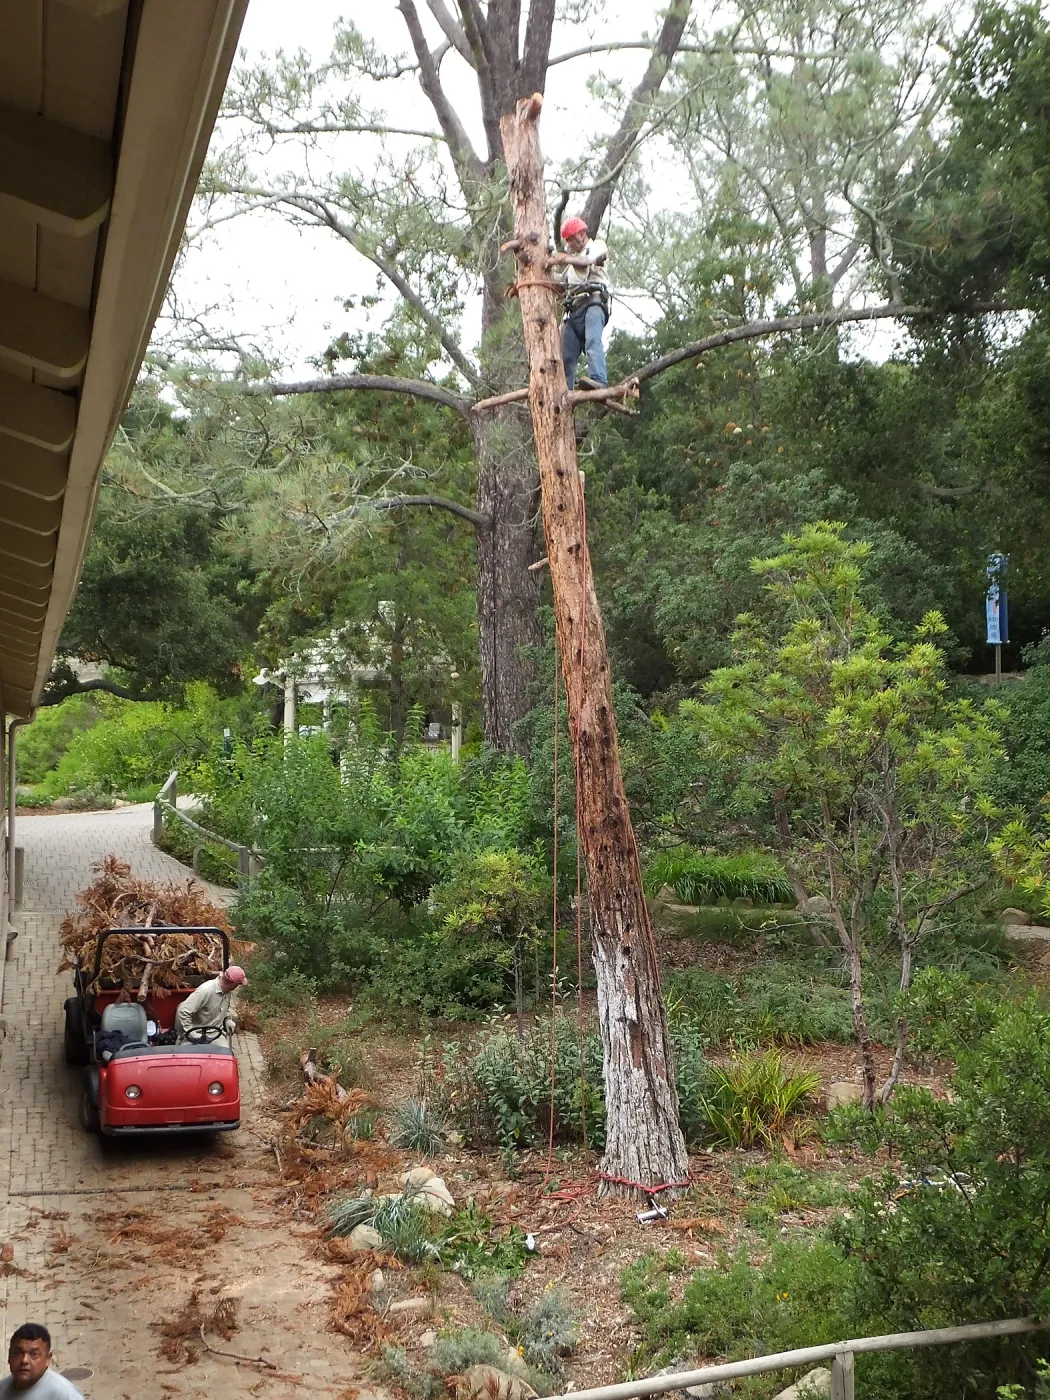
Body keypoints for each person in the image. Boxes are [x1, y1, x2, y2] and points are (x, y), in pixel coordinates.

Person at [550, 215, 610, 389]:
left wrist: (562, 258)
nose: (570, 244)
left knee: (593, 341)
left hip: (593, 303)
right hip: (574, 312)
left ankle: (599, 380)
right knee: (565, 355)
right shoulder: (571, 265)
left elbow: (587, 263)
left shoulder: (596, 246)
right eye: (567, 241)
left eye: (571, 239)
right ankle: (564, 390)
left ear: (582, 234)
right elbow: (562, 284)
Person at [0, 1325, 84, 1398]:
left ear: (48, 1359)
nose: (24, 1360)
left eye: (34, 1354)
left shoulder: (65, 1395)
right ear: (9, 1356)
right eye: (18, 1353)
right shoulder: (2, 1388)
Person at [175, 964, 247, 1043]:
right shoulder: (205, 991)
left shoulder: (227, 992)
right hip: (198, 1034)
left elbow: (223, 1009)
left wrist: (227, 1019)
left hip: (216, 1034)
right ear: (233, 983)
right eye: (238, 984)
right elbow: (183, 1010)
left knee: (226, 1054)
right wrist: (192, 1033)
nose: (237, 987)